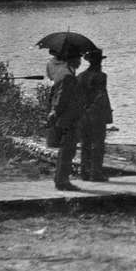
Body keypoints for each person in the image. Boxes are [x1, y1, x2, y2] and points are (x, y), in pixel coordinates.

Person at [47, 50, 85, 191]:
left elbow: (55, 96)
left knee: (66, 150)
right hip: (69, 119)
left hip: (65, 118)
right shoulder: (68, 77)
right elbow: (62, 98)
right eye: (78, 58)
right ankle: (62, 181)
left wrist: (54, 112)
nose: (80, 62)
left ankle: (60, 179)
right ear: (71, 60)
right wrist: (56, 111)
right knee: (68, 150)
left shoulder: (62, 74)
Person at [77, 48, 113, 181]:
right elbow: (100, 96)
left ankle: (84, 173)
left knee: (85, 143)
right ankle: (96, 173)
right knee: (98, 144)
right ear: (98, 62)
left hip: (83, 114)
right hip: (96, 114)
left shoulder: (80, 76)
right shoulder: (101, 76)